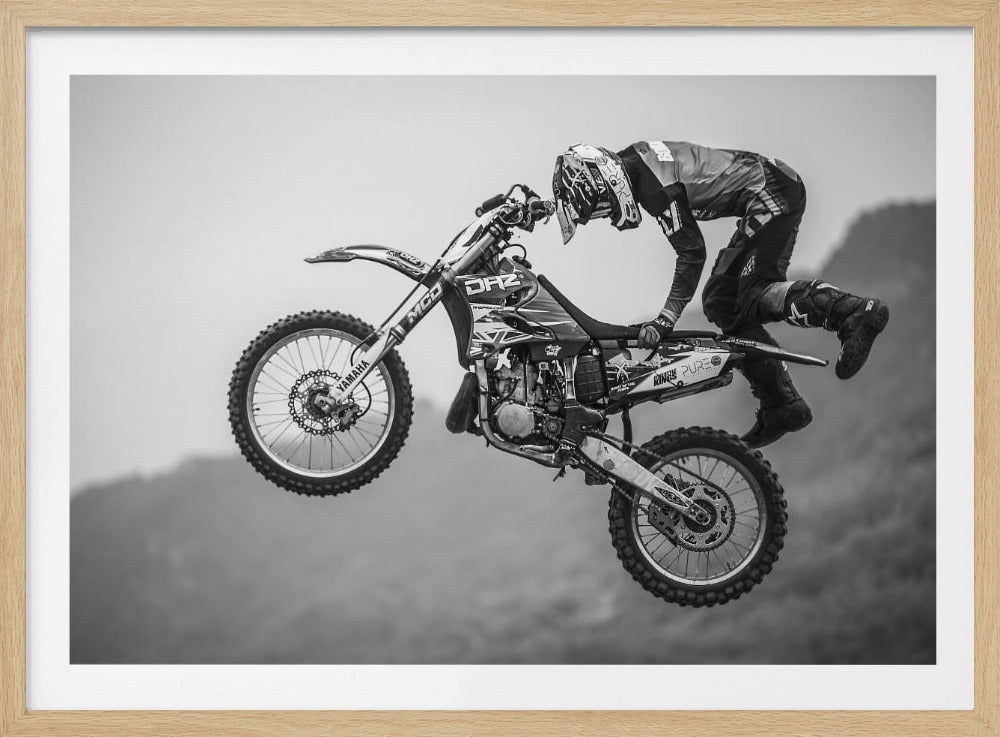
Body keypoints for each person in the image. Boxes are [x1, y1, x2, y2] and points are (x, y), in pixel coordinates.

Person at [551, 142, 889, 448]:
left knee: (751, 295)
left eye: (599, 206)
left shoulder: (656, 187)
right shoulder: (636, 166)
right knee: (722, 301)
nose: (608, 216)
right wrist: (547, 207)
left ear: (603, 177)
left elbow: (692, 252)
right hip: (775, 187)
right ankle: (782, 404)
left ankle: (852, 313)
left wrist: (666, 318)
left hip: (773, 192)